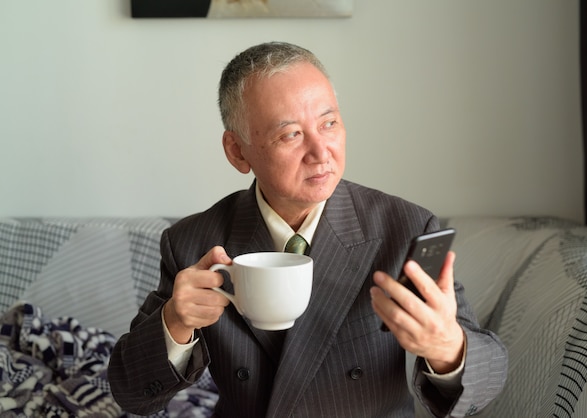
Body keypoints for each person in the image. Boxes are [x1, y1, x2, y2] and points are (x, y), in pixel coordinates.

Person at [108, 41, 507, 417]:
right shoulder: (193, 243)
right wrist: (176, 323)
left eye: (329, 123)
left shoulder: (405, 227)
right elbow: (129, 392)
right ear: (237, 151)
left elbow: (490, 377)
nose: (321, 152)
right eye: (291, 135)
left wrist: (448, 348)